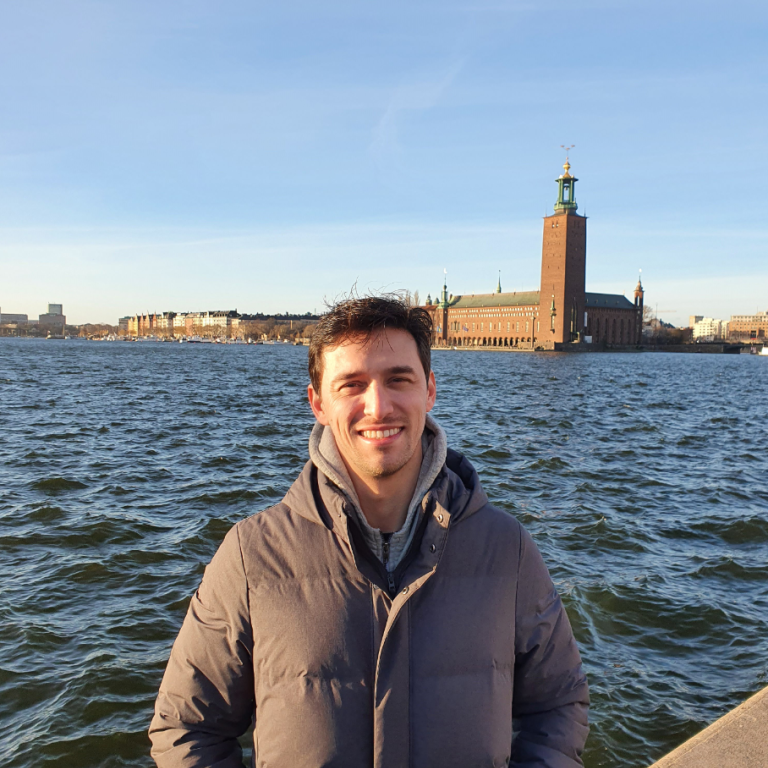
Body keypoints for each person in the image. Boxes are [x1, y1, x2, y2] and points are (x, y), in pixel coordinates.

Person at [149, 295, 589, 768]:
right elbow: (187, 727)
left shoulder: (507, 550)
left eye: (398, 379)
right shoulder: (251, 556)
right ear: (317, 402)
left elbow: (557, 705)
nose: (378, 406)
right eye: (352, 384)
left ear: (430, 391)